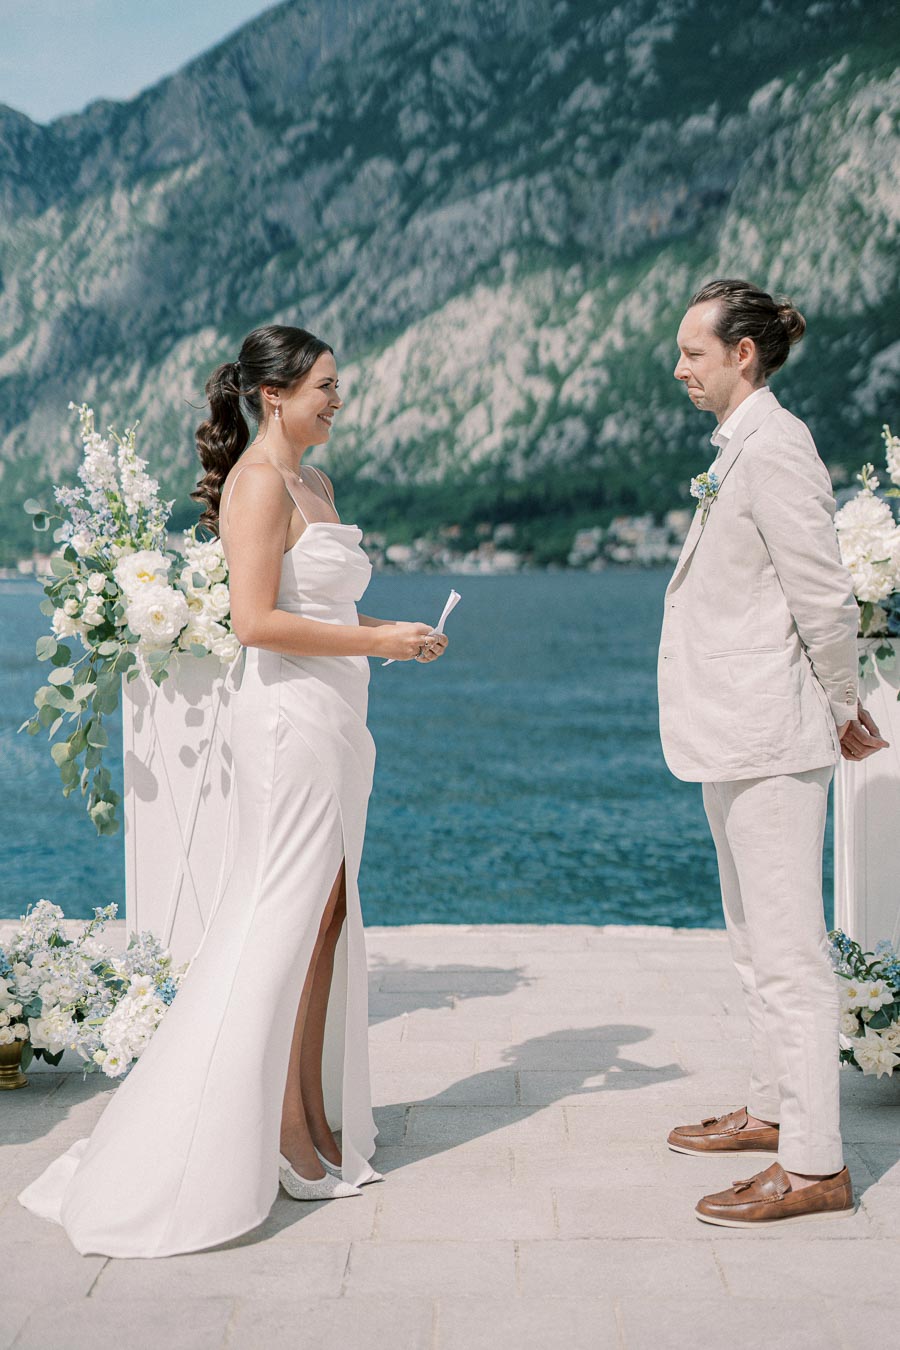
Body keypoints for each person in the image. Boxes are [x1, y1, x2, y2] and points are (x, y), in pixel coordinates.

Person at [18, 324, 448, 1257]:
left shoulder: (317, 485)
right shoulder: (256, 484)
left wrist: (391, 630)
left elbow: (320, 606)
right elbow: (255, 622)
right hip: (288, 723)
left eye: (340, 386)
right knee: (280, 921)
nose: (339, 400)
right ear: (273, 394)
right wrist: (377, 643)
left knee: (328, 919)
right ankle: (279, 1135)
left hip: (341, 721)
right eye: (325, 386)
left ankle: (311, 1114)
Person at [658, 279, 887, 1228]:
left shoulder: (778, 446)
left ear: (743, 354)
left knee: (789, 953)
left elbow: (823, 595)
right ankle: (769, 1111)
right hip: (731, 729)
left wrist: (841, 705)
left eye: (694, 353)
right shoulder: (740, 447)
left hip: (771, 731)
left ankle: (815, 1166)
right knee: (754, 940)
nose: (680, 369)